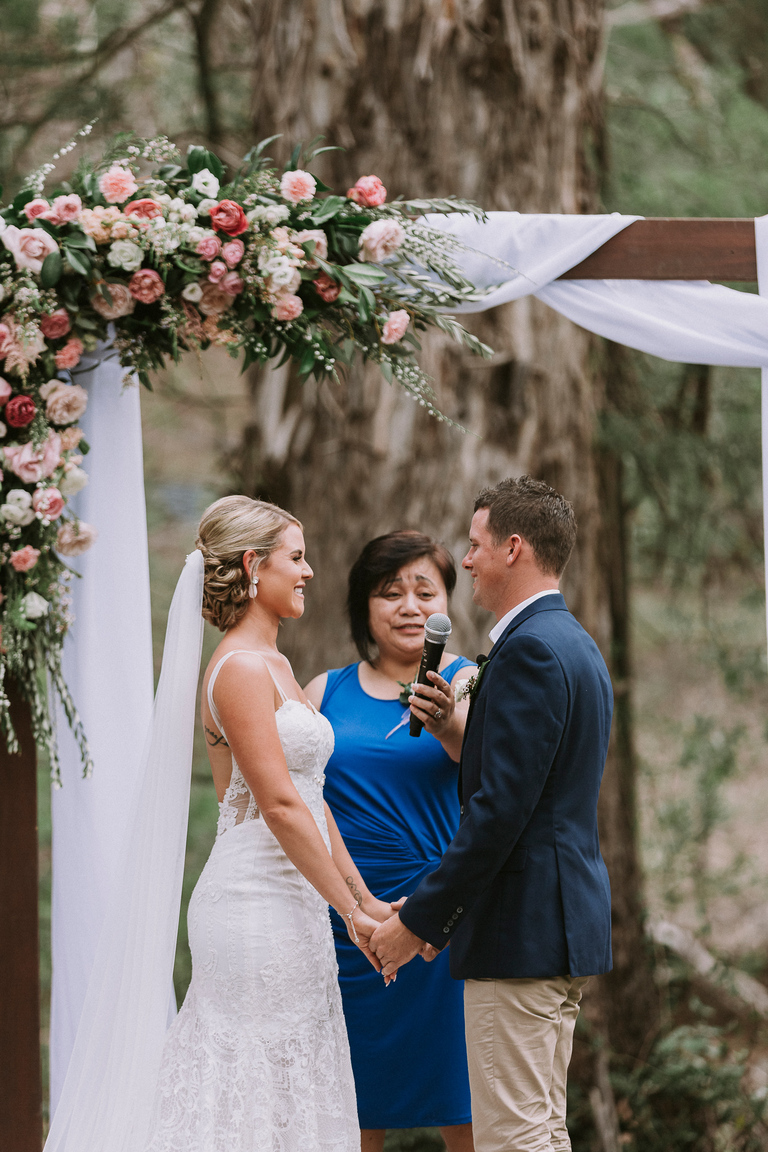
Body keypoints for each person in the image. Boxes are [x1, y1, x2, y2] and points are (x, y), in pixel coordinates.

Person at [370, 477, 614, 1152]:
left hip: (521, 934)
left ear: (513, 547)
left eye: (476, 545)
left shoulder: (530, 651)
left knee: (514, 1137)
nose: (467, 561)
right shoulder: (573, 642)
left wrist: (418, 921)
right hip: (554, 929)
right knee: (540, 1129)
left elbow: (499, 813)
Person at [146, 497, 395, 1151]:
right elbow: (279, 806)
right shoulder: (239, 669)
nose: (309, 572)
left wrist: (365, 898)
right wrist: (350, 913)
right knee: (249, 1097)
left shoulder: (277, 665)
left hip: (297, 901)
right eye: (297, 557)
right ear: (255, 566)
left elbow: (314, 798)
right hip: (251, 905)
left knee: (294, 1092)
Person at [306, 530, 477, 1152]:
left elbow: (484, 761)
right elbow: (296, 798)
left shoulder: (467, 679)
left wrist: (447, 721)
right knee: (350, 1103)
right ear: (363, 606)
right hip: (344, 919)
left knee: (463, 1099)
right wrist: (350, 902)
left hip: (436, 917)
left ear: (446, 605)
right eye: (389, 592)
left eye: (424, 592)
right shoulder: (324, 691)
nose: (409, 606)